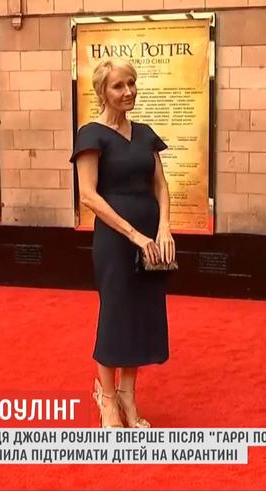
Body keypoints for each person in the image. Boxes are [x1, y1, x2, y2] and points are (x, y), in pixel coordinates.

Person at [69, 58, 176, 427]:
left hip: (152, 239)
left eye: (131, 83)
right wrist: (133, 234)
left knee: (140, 314)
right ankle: (107, 399)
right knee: (116, 313)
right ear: (103, 91)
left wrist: (164, 228)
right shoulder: (90, 134)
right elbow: (88, 195)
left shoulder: (145, 134)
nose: (128, 91)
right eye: (119, 85)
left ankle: (129, 397)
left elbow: (160, 184)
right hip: (116, 240)